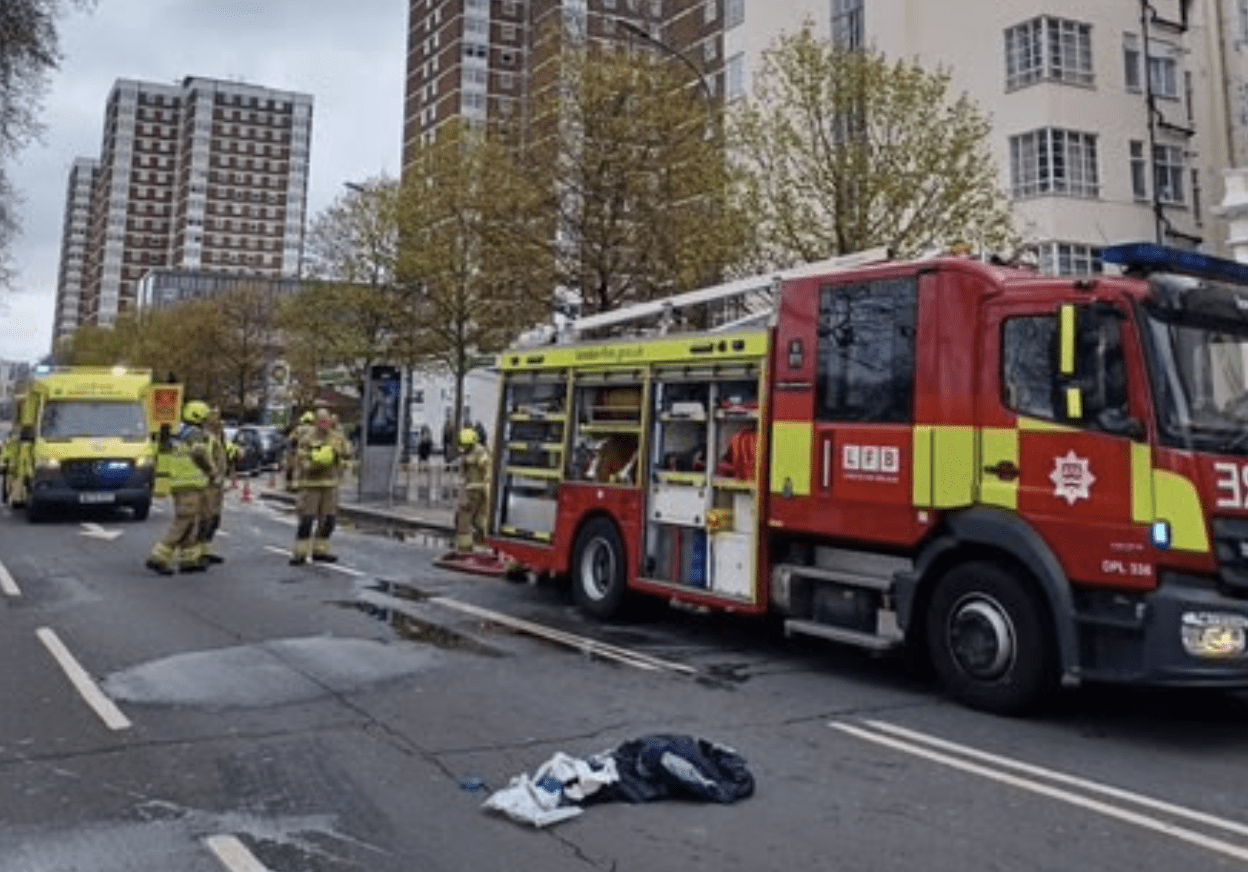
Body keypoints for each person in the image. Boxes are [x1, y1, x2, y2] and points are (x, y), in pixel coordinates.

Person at [145, 400, 215, 575]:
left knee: (191, 522)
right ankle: (158, 557)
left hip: (177, 482)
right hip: (190, 483)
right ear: (198, 417)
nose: (207, 420)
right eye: (205, 417)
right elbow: (199, 452)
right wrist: (210, 470)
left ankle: (188, 560)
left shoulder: (177, 432)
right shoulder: (195, 434)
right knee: (183, 521)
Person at [290, 408, 348, 565]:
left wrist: (339, 463)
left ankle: (320, 551)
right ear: (316, 421)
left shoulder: (336, 438)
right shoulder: (308, 437)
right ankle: (300, 553)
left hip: (330, 485)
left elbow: (346, 455)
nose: (324, 424)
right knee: (307, 520)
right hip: (311, 485)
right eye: (321, 421)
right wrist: (311, 464)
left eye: (326, 421)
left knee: (328, 521)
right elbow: (300, 456)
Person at [454, 426, 491, 553]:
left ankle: (464, 549)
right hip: (472, 490)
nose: (463, 449)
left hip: (474, 491)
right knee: (478, 520)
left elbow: (487, 472)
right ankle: (481, 546)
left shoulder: (480, 453)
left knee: (464, 519)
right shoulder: (475, 452)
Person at [200, 407, 230, 564]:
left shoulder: (219, 436)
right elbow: (204, 456)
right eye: (216, 417)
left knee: (215, 518)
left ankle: (207, 548)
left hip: (217, 483)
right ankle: (198, 550)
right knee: (206, 517)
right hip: (209, 483)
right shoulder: (206, 436)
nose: (220, 421)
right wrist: (213, 473)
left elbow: (223, 452)